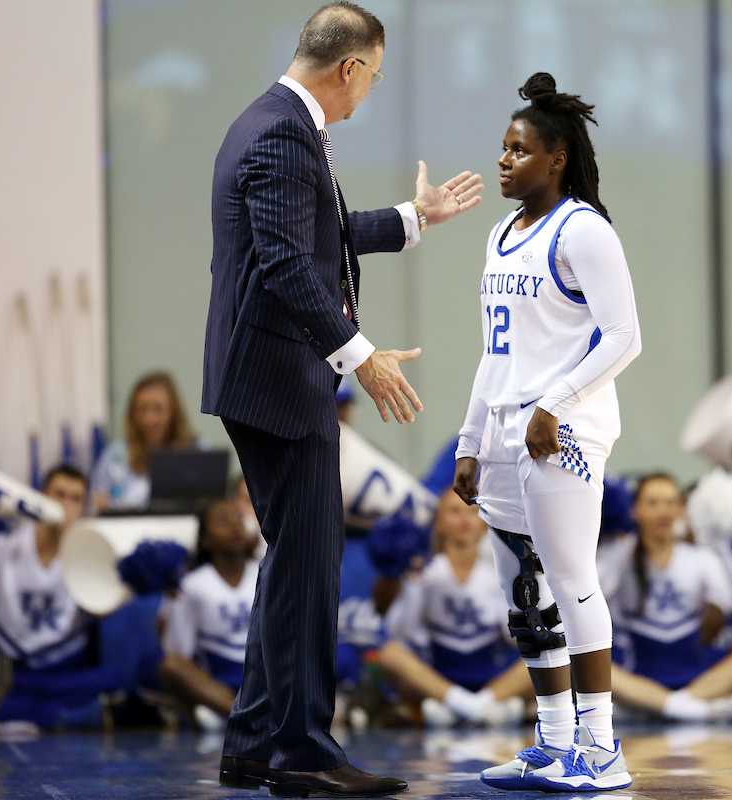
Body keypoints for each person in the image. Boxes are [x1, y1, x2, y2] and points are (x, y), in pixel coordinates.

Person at [201, 3, 482, 795]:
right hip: (279, 377)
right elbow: (291, 266)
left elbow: (314, 232)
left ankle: (256, 744)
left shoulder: (267, 121)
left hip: (263, 372)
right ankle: (301, 754)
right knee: (311, 566)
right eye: (376, 75)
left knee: (294, 560)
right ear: (350, 68)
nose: (371, 92)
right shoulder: (284, 135)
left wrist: (413, 218)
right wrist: (361, 359)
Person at [454, 72, 641, 791]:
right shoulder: (503, 232)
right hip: (505, 430)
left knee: (571, 580)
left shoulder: (584, 229)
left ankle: (601, 749)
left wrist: (554, 403)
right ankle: (554, 742)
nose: (504, 161)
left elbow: (624, 337)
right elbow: (494, 352)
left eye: (518, 150)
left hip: (560, 432)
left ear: (556, 158)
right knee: (526, 594)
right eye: (502, 148)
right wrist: (470, 441)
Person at [0, 465, 126, 733]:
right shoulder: (3, 548)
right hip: (9, 671)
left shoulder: (90, 556)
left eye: (76, 499)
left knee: (115, 678)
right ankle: (55, 719)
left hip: (63, 674)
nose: (66, 505)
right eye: (59, 495)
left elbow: (105, 611)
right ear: (40, 497)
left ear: (83, 507)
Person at [601, 474, 732, 722]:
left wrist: (716, 547)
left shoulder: (700, 556)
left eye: (670, 502)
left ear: (682, 510)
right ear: (634, 510)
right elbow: (589, 595)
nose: (662, 511)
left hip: (695, 676)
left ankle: (664, 706)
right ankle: (696, 709)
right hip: (639, 675)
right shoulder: (619, 555)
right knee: (593, 669)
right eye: (652, 503)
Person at [378, 490, 532, 726]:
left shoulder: (497, 573)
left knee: (548, 652)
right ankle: (477, 709)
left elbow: (515, 638)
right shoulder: (425, 572)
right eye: (454, 512)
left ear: (484, 522)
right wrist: (412, 582)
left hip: (489, 675)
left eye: (472, 512)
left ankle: (469, 708)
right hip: (440, 676)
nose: (464, 520)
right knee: (389, 654)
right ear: (438, 522)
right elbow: (401, 632)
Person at [159, 499, 260, 727]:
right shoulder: (190, 584)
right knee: (171, 666)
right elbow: (179, 652)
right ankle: (246, 717)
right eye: (223, 521)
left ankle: (230, 716)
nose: (235, 526)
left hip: (265, 674)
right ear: (205, 540)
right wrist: (172, 603)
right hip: (219, 680)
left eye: (239, 519)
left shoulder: (267, 573)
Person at [91, 371, 196, 513]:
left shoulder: (196, 451)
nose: (149, 419)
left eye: (158, 409)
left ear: (174, 412)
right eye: (142, 409)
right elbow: (96, 501)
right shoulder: (115, 455)